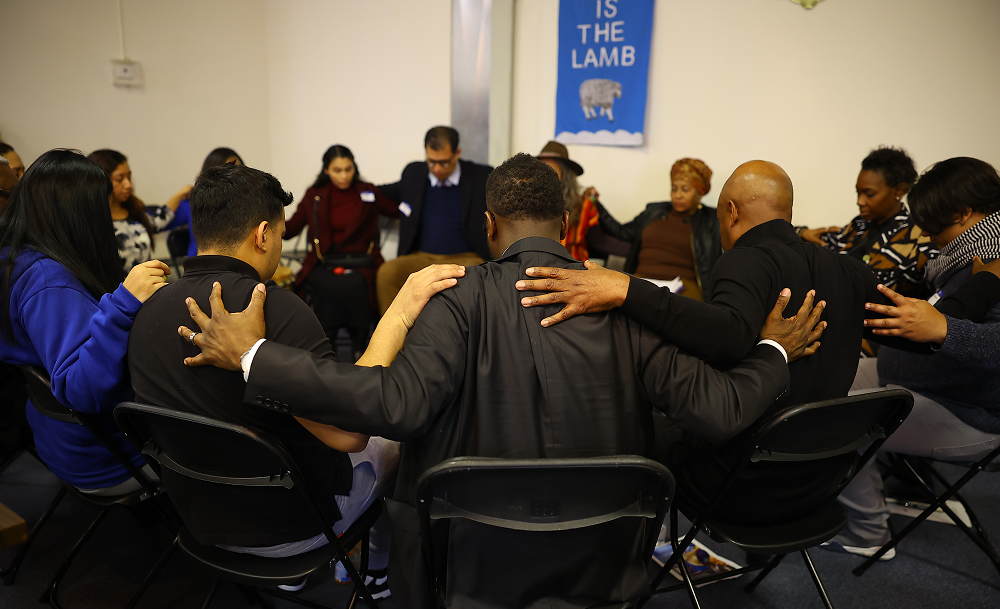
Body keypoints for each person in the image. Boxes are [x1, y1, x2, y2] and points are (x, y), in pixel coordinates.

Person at [176, 154, 825, 608]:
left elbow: (390, 405)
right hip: (604, 568)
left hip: (468, 571)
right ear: (569, 226)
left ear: (488, 226)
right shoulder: (623, 308)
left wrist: (256, 356)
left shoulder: (456, 301)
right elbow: (721, 409)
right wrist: (775, 348)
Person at [514, 160, 1000, 528]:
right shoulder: (849, 271)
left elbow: (726, 337)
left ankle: (639, 550)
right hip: (815, 486)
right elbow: (929, 326)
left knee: (643, 424)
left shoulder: (744, 262)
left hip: (738, 487)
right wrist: (984, 283)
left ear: (729, 211)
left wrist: (624, 288)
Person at [129, 164, 462, 597]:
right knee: (403, 437)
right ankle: (377, 573)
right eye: (282, 235)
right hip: (293, 528)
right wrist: (399, 313)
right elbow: (351, 432)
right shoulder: (273, 309)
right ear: (263, 234)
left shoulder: (146, 311)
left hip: (199, 520)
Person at [831, 157, 1000, 558]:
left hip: (973, 413)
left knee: (831, 417)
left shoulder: (991, 261)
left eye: (932, 223)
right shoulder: (972, 259)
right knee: (827, 379)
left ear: (964, 214)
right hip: (927, 384)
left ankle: (867, 534)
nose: (925, 233)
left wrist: (941, 328)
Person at [0, 149, 170, 494]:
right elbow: (82, 390)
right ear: (79, 214)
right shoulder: (48, 282)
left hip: (58, 442)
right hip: (108, 458)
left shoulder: (13, 257)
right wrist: (123, 304)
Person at [284, 145, 400, 359]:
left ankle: (359, 340)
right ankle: (329, 340)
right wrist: (268, 216)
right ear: (326, 170)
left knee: (357, 281)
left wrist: (416, 199)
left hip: (362, 261)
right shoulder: (315, 195)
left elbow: (396, 210)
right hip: (324, 261)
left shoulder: (367, 191)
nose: (345, 175)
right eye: (338, 170)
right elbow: (291, 227)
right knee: (331, 283)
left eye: (349, 169)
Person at [375, 126, 493, 315]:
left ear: (457, 153)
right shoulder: (414, 173)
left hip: (467, 259)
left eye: (444, 163)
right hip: (421, 257)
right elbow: (384, 192)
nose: (437, 169)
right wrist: (356, 188)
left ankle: (472, 343)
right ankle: (396, 340)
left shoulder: (481, 176)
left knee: (484, 277)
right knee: (387, 273)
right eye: (432, 162)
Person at [799, 146, 937, 300]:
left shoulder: (921, 239)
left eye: (869, 194)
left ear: (899, 190)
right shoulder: (858, 226)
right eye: (858, 192)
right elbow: (816, 247)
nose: (860, 201)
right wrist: (803, 232)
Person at [595, 158, 721, 300]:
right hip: (641, 281)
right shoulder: (653, 211)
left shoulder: (711, 220)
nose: (678, 195)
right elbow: (621, 232)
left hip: (683, 288)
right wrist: (595, 203)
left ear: (700, 192)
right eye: (674, 188)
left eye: (685, 189)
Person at [88, 149, 190, 272]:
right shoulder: (93, 223)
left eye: (129, 177)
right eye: (120, 179)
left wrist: (180, 194)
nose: (128, 185)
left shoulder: (134, 209)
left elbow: (157, 221)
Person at [164, 147, 244, 258]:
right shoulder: (193, 203)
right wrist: (179, 195)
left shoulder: (246, 202)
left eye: (239, 170)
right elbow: (160, 223)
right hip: (202, 267)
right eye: (229, 170)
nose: (236, 176)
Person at [535, 141, 600, 261]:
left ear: (565, 175)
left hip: (574, 270)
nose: (544, 176)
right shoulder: (525, 204)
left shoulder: (583, 205)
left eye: (551, 171)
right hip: (535, 269)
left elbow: (600, 241)